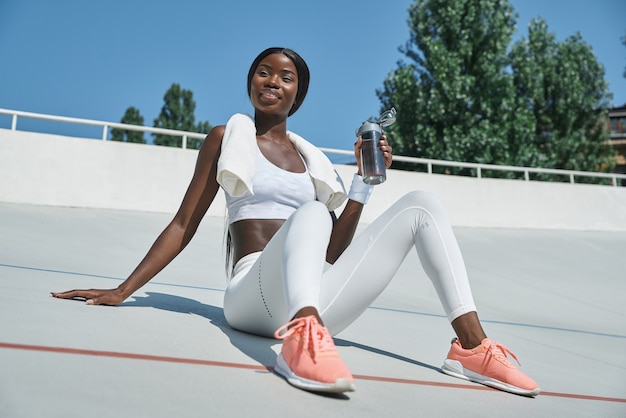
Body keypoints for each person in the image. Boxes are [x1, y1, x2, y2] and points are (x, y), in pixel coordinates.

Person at [52, 47, 540, 397]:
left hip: (315, 293)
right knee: (308, 214)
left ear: (297, 95)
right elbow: (184, 224)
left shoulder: (313, 164)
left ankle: (472, 350)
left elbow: (329, 253)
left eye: (285, 78)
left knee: (422, 203)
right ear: (250, 83)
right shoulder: (227, 138)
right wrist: (123, 289)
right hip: (252, 298)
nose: (273, 82)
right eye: (264, 73)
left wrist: (362, 186)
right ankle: (301, 343)